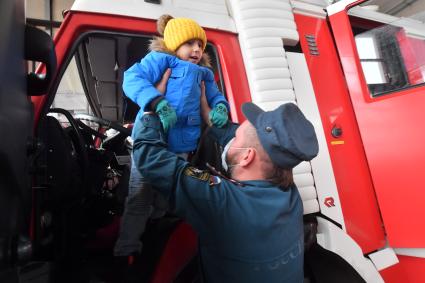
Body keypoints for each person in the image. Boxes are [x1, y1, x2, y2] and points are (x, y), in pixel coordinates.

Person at [132, 98, 319, 282]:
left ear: (247, 156)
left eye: (236, 137)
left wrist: (151, 106)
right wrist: (212, 122)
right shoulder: (289, 194)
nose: (232, 139)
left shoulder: (221, 202)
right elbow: (252, 141)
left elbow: (150, 159)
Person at [114, 14, 229, 257]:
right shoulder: (160, 60)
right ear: (174, 44)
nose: (197, 49)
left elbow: (215, 95)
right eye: (190, 44)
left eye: (200, 45)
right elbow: (132, 79)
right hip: (151, 142)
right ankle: (127, 246)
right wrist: (157, 102)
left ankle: (155, 227)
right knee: (139, 194)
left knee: (169, 193)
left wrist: (220, 107)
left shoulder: (204, 74)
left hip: (182, 146)